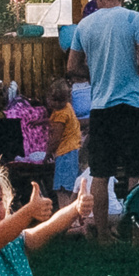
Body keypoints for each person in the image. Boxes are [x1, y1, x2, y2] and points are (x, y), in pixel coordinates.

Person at [69, 0, 139, 244]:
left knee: (100, 172)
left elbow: (72, 67)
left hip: (100, 108)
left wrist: (95, 72)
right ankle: (134, 232)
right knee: (136, 171)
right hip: (131, 105)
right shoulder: (135, 19)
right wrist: (134, 68)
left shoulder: (85, 24)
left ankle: (103, 236)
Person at [45, 79, 83, 208]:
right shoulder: (67, 107)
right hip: (73, 151)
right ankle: (74, 218)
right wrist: (42, 122)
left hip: (65, 153)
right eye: (54, 100)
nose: (57, 104)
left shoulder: (60, 114)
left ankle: (66, 219)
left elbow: (56, 138)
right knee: (72, 187)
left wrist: (48, 153)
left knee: (62, 189)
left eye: (60, 100)